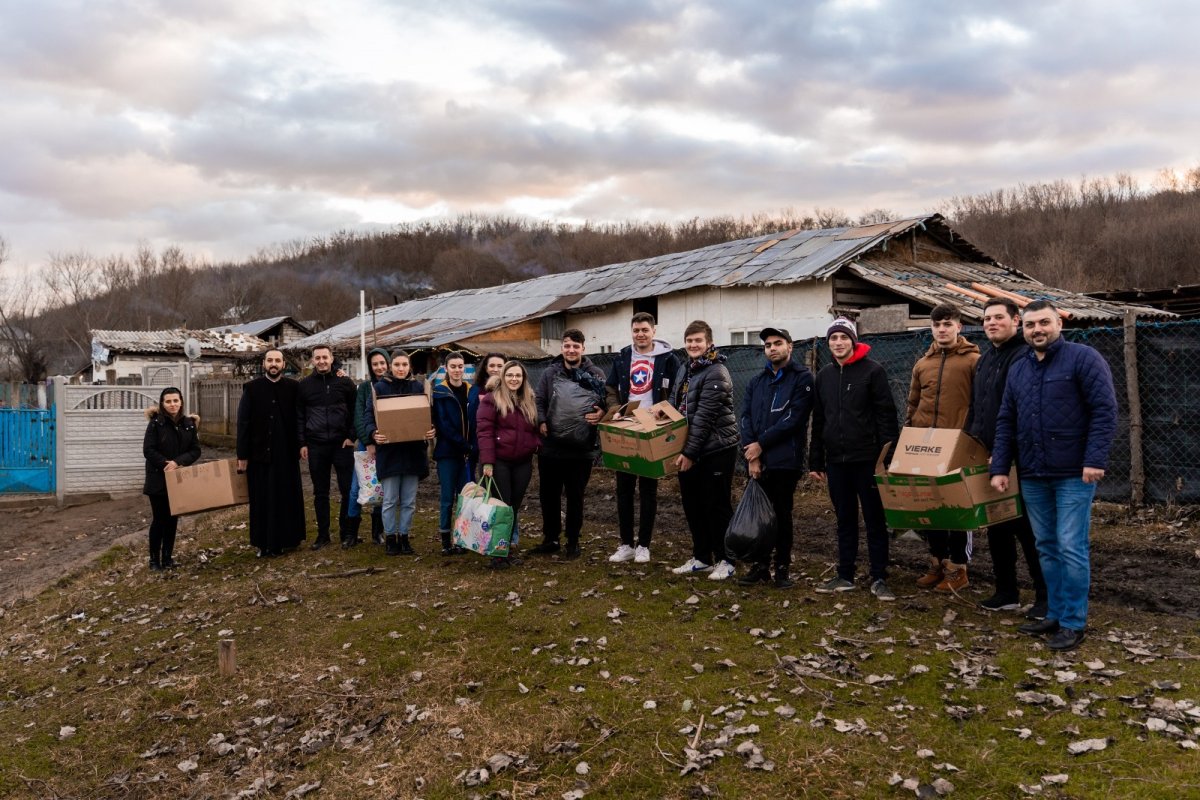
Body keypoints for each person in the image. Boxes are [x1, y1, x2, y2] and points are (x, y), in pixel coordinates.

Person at [991, 300, 1117, 651]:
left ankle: (1074, 622)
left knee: (1070, 545)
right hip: (1032, 473)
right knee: (1045, 545)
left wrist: (1094, 459)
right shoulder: (1020, 368)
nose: (1038, 330)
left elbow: (1104, 411)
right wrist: (1000, 467)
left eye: (1044, 323)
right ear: (1024, 328)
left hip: (1074, 473)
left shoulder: (1084, 358)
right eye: (1031, 325)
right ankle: (1056, 613)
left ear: (1059, 324)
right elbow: (1006, 420)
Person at [964, 300, 1048, 617]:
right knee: (997, 526)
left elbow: (1023, 412)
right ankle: (1006, 592)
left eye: (998, 317)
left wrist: (1005, 454)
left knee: (1029, 530)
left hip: (1018, 460)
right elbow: (976, 408)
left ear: (1016, 321)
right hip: (986, 457)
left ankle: (1045, 597)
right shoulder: (985, 360)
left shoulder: (1025, 357)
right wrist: (968, 446)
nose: (991, 323)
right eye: (987, 318)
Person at [809, 318, 899, 600]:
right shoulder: (824, 376)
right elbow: (819, 419)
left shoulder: (873, 371)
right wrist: (816, 460)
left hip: (868, 459)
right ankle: (845, 574)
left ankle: (879, 576)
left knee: (874, 519)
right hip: (836, 461)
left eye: (843, 337)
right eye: (833, 338)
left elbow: (886, 415)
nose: (838, 343)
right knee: (844, 519)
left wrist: (888, 456)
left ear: (853, 340)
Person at [905, 303, 980, 592]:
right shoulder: (922, 364)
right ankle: (938, 562)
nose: (942, 329)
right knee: (931, 506)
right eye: (937, 325)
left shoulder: (973, 361)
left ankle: (959, 568)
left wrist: (973, 438)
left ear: (959, 326)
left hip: (959, 445)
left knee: (958, 508)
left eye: (947, 324)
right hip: (925, 446)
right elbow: (913, 404)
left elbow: (982, 403)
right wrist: (909, 436)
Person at [737, 327, 814, 589]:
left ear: (789, 346)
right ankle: (760, 566)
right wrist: (752, 454)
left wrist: (761, 445)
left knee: (781, 515)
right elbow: (745, 417)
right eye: (768, 344)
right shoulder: (757, 382)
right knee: (760, 515)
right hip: (757, 460)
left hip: (785, 460)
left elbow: (794, 419)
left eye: (777, 343)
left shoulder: (802, 378)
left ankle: (782, 568)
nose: (772, 348)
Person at [604, 312, 681, 565]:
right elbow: (611, 388)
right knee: (623, 489)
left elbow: (678, 389)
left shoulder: (668, 358)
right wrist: (615, 410)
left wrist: (665, 410)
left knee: (648, 490)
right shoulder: (622, 357)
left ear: (654, 331)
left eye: (645, 330)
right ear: (631, 332)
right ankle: (626, 544)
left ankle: (644, 546)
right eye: (636, 330)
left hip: (652, 429)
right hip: (626, 428)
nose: (640, 334)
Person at [670, 320, 739, 580]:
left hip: (716, 449)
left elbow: (704, 417)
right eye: (689, 341)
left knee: (716, 505)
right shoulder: (685, 369)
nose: (693, 345)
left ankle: (726, 559)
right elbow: (677, 403)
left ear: (709, 343)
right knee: (693, 504)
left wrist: (690, 453)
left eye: (698, 340)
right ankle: (702, 557)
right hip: (689, 446)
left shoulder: (716, 371)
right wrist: (662, 411)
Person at [530, 329, 607, 559]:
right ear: (562, 348)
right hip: (551, 447)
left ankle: (573, 541)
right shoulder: (550, 372)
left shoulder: (595, 373)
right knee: (549, 495)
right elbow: (539, 400)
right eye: (567, 345)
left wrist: (602, 413)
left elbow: (606, 400)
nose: (571, 350)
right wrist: (541, 420)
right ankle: (551, 538)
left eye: (575, 346)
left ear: (583, 348)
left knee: (575, 496)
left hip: (581, 448)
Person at [237, 349, 307, 557]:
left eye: (277, 360)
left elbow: (301, 417)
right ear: (264, 364)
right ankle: (263, 543)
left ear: (284, 364)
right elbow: (243, 423)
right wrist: (242, 456)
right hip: (259, 454)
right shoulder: (251, 388)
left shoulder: (294, 387)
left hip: (286, 454)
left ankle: (288, 540)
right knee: (262, 500)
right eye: (270, 360)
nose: (273, 364)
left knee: (286, 497)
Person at [365, 350, 435, 555]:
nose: (401, 368)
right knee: (389, 500)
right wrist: (373, 433)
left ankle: (404, 536)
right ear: (390, 366)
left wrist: (431, 428)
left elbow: (429, 414)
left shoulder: (418, 387)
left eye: (404, 365)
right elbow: (368, 415)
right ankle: (390, 538)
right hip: (390, 453)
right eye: (397, 365)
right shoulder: (380, 388)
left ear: (409, 366)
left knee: (408, 501)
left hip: (413, 453)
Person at [477, 361, 541, 568]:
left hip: (523, 462)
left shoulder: (529, 400)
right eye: (510, 375)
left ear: (523, 379)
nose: (514, 379)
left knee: (513, 507)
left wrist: (535, 445)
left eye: (518, 376)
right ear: (503, 377)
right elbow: (484, 431)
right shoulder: (492, 399)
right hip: (499, 462)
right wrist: (488, 462)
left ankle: (505, 548)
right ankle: (497, 554)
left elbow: (534, 429)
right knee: (501, 507)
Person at [297, 344, 359, 550]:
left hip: (342, 444)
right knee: (320, 492)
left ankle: (346, 532)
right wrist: (302, 443)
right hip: (316, 445)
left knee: (347, 490)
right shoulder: (304, 385)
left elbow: (355, 411)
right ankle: (323, 535)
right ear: (312, 360)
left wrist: (351, 436)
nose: (322, 361)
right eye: (318, 358)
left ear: (332, 358)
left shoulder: (345, 382)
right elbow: (300, 416)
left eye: (325, 357)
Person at [142, 387, 200, 570]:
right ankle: (154, 561)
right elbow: (148, 449)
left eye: (175, 400)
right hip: (158, 479)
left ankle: (167, 558)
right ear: (162, 403)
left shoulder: (189, 424)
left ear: (181, 402)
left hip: (178, 478)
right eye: (168, 401)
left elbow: (195, 450)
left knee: (172, 519)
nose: (172, 404)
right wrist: (165, 464)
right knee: (159, 519)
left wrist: (178, 462)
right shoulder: (156, 424)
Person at [432, 351, 472, 556]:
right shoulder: (440, 392)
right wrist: (465, 445)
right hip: (448, 452)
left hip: (468, 454)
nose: (457, 370)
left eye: (460, 366)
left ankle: (462, 539)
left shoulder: (471, 390)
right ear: (446, 368)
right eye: (453, 366)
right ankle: (446, 540)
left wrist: (472, 447)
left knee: (465, 499)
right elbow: (443, 425)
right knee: (447, 498)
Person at [351, 347, 391, 544]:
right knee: (357, 487)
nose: (379, 367)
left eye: (382, 363)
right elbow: (359, 416)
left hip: (387, 443)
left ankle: (377, 532)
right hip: (366, 444)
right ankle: (351, 533)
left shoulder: (393, 386)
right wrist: (368, 442)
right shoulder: (365, 388)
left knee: (381, 488)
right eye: (375, 364)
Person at [468, 353, 507, 481]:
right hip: (478, 441)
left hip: (503, 444)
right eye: (492, 365)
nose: (495, 369)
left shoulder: (510, 390)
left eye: (500, 366)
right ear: (485, 368)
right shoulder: (475, 389)